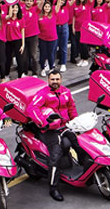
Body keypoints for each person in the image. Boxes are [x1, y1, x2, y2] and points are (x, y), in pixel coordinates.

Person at [25, 70, 78, 201]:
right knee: (56, 154)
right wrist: (43, 123)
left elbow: (72, 107)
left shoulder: (66, 91)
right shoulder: (43, 94)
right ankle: (53, 188)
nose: (55, 82)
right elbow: (32, 108)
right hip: (49, 129)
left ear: (61, 80)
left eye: (57, 79)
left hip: (65, 126)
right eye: (52, 79)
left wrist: (76, 122)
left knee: (79, 142)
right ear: (48, 80)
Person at [21, 0, 42, 76]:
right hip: (23, 36)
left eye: (30, 1)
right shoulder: (21, 10)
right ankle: (24, 72)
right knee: (24, 56)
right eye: (27, 1)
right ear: (24, 1)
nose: (28, 2)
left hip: (33, 35)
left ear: (33, 2)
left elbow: (42, 1)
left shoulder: (35, 9)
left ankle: (35, 73)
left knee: (33, 55)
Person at [4, 3, 26, 79]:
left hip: (18, 41)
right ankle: (6, 75)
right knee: (8, 59)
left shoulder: (21, 19)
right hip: (8, 42)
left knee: (19, 59)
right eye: (13, 8)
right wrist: (10, 3)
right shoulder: (7, 19)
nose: (15, 9)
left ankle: (20, 75)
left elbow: (22, 31)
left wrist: (23, 44)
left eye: (16, 8)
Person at [70, 0, 91, 67]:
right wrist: (73, 27)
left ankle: (85, 59)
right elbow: (74, 17)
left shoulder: (88, 4)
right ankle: (82, 59)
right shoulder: (75, 5)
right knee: (80, 44)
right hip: (77, 27)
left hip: (85, 28)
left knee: (84, 44)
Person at [38, 0, 58, 75]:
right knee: (43, 54)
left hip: (52, 38)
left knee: (51, 54)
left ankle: (51, 68)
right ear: (43, 7)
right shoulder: (39, 16)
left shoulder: (53, 14)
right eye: (45, 6)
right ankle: (42, 68)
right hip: (42, 38)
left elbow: (58, 4)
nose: (47, 8)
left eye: (48, 6)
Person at [54, 0, 71, 72]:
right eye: (60, 0)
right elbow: (56, 9)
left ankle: (63, 64)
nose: (62, 1)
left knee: (63, 46)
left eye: (63, 0)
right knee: (54, 46)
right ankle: (52, 62)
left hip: (64, 26)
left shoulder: (66, 6)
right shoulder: (54, 7)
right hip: (55, 27)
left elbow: (73, 0)